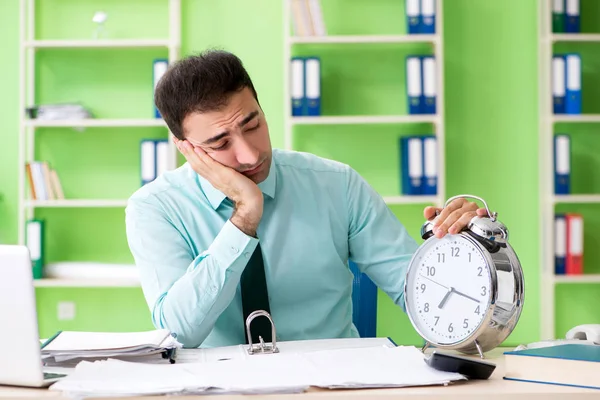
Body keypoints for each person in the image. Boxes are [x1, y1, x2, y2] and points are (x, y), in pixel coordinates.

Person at [125, 49, 486, 349]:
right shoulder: (155, 208)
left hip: (332, 386)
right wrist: (244, 219)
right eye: (220, 143)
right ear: (186, 148)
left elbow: (424, 299)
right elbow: (180, 333)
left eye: (253, 125)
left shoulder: (336, 185)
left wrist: (470, 255)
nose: (250, 155)